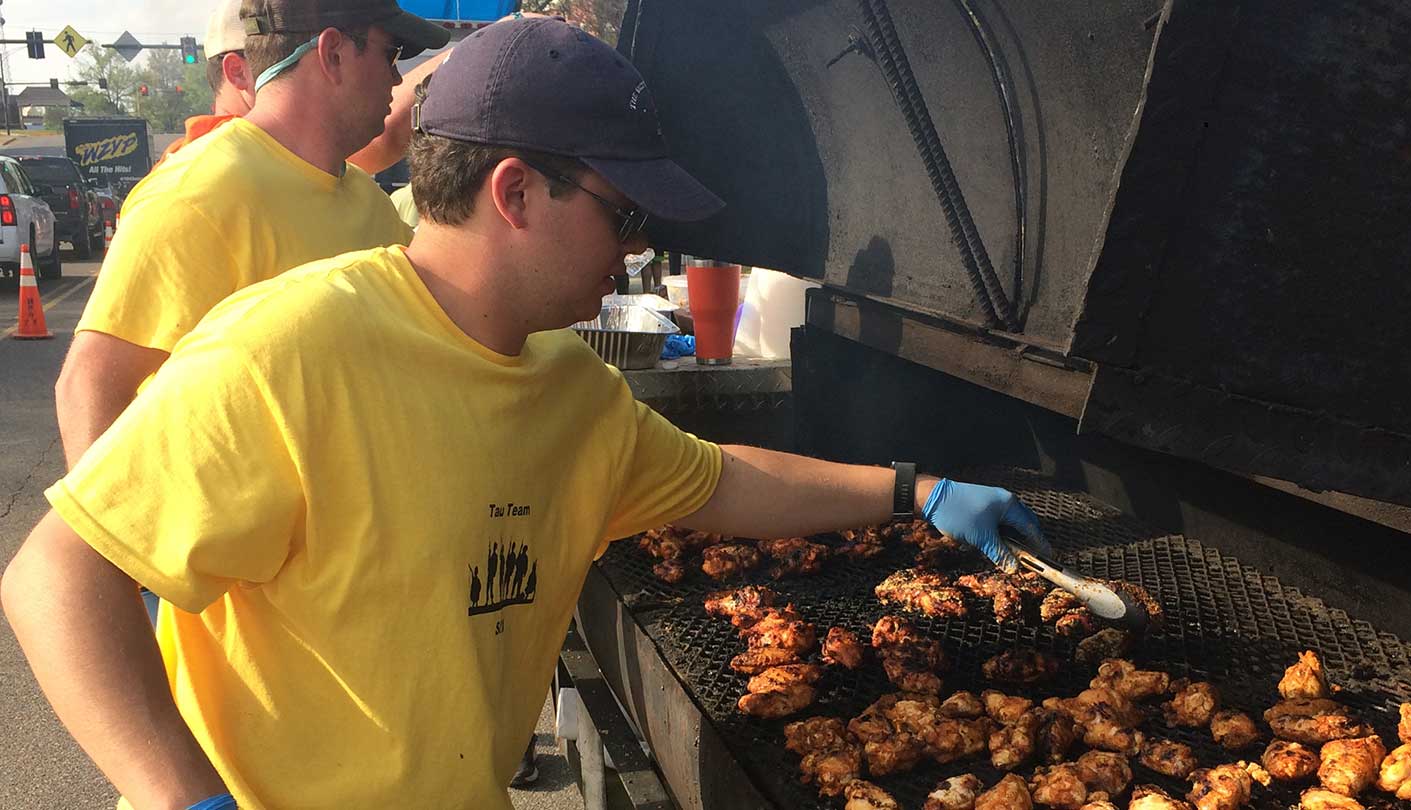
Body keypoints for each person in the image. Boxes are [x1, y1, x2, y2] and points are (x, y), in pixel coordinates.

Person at [2, 18, 1050, 809]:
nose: (635, 249)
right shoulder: (287, 354)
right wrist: (184, 797)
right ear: (515, 193)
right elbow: (56, 578)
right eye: (622, 213)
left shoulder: (570, 389)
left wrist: (921, 491)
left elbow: (720, 481)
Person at [54, 0, 449, 471]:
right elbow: (91, 382)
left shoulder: (363, 197)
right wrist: (116, 541)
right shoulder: (199, 192)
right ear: (333, 54)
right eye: (391, 53)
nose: (396, 79)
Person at [158, 0, 450, 173]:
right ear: (236, 71)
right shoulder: (195, 184)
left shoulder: (343, 185)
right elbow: (383, 141)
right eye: (390, 55)